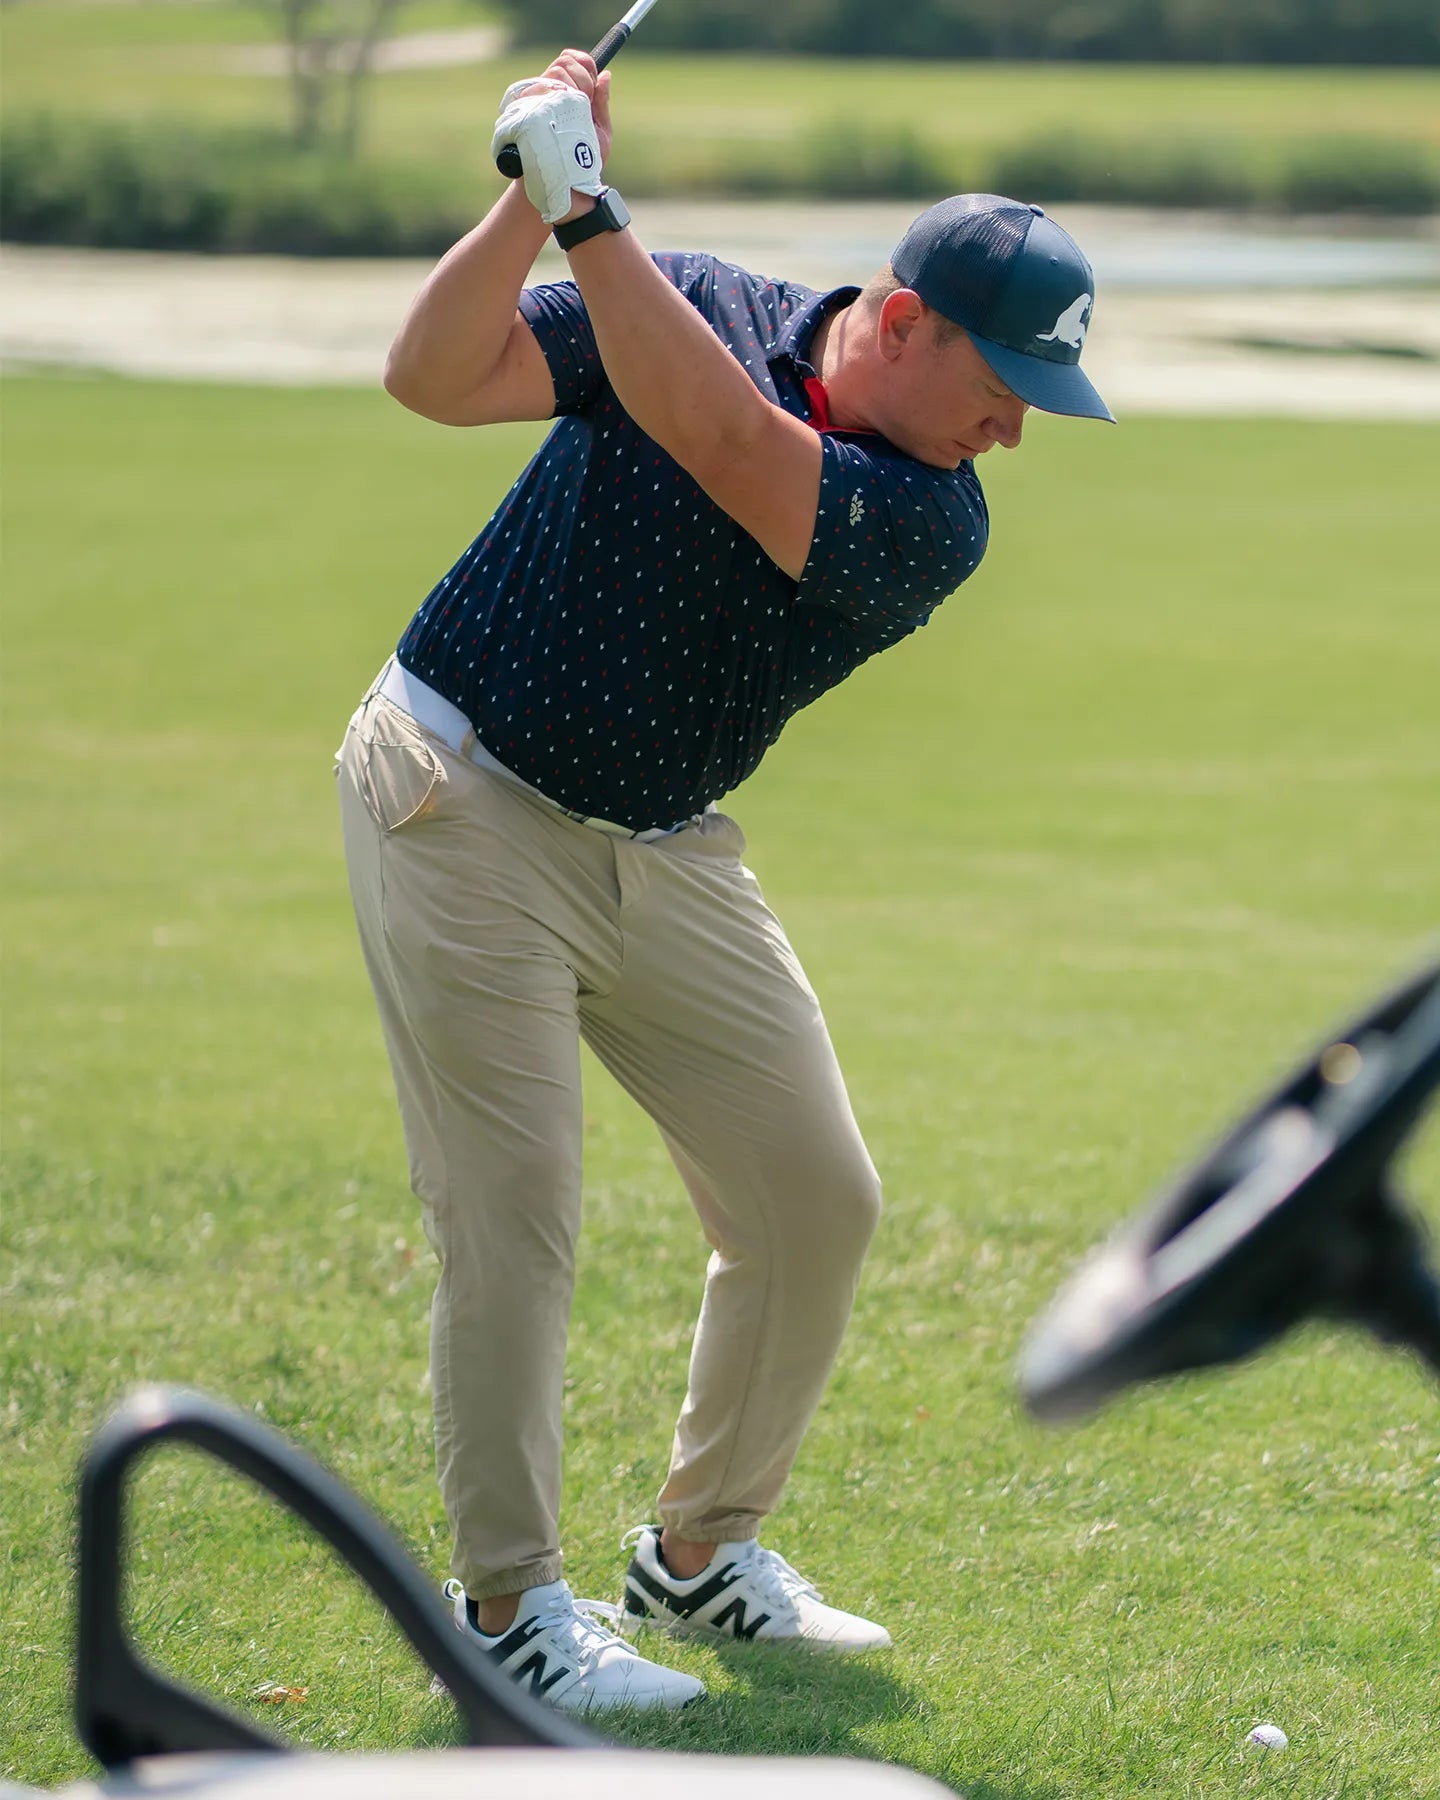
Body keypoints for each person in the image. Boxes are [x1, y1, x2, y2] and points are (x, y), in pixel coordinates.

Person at [336, 49, 1112, 1715]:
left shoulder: (933, 516)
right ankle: (505, 1612)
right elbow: (432, 375)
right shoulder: (689, 297)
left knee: (811, 1197)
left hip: (663, 839)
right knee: (518, 1212)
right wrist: (528, 196)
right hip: (456, 793)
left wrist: (590, 209)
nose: (1014, 431)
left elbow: (723, 440)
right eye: (1006, 382)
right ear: (901, 319)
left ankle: (694, 1559)